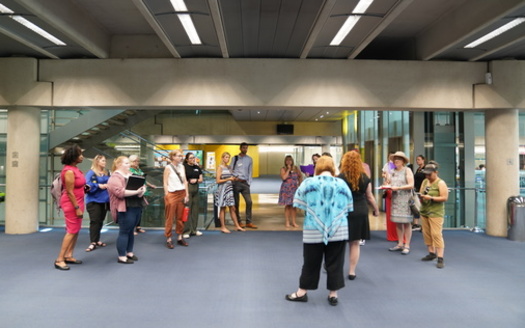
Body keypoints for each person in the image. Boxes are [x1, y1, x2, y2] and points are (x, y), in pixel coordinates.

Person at [285, 156, 353, 306]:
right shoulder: (342, 184)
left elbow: (298, 203)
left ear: (318, 167)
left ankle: (302, 292)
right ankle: (333, 295)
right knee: (335, 262)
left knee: (310, 262)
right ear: (332, 167)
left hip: (313, 229)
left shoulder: (309, 183)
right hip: (339, 230)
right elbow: (349, 207)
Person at [338, 151, 379, 280]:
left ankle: (334, 267)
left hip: (344, 211)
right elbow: (370, 197)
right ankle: (352, 271)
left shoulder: (340, 177)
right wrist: (376, 210)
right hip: (360, 210)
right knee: (355, 243)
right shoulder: (365, 178)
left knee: (339, 243)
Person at [107, 156, 146, 264]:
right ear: (119, 165)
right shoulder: (114, 177)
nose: (129, 165)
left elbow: (142, 186)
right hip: (125, 208)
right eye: (126, 163)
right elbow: (120, 192)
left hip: (136, 205)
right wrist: (136, 192)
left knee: (131, 231)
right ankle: (121, 256)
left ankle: (129, 252)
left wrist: (142, 190)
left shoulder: (131, 175)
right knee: (124, 231)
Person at [54, 145, 86, 271]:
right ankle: (59, 259)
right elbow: (69, 192)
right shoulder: (68, 171)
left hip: (78, 202)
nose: (82, 156)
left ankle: (69, 255)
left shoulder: (76, 169)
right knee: (71, 230)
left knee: (76, 229)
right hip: (72, 204)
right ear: (73, 157)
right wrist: (77, 207)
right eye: (80, 154)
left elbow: (81, 186)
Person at [384, 151, 415, 255]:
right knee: (397, 222)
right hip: (396, 199)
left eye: (399, 159)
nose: (396, 160)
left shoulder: (407, 170)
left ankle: (407, 245)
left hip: (405, 199)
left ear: (403, 161)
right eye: (395, 159)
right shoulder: (392, 171)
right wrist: (386, 185)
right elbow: (388, 183)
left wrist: (398, 187)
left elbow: (411, 185)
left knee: (406, 222)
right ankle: (400, 243)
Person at [419, 162, 449, 269]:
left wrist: (431, 198)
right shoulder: (425, 182)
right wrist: (422, 197)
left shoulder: (441, 183)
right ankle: (431, 253)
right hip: (425, 211)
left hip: (436, 212)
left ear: (435, 172)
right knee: (426, 233)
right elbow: (421, 192)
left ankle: (440, 257)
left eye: (429, 174)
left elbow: (444, 198)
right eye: (426, 174)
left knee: (436, 234)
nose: (427, 176)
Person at [163, 149, 190, 248]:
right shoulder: (168, 168)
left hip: (181, 193)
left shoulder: (182, 167)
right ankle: (169, 238)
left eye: (181, 156)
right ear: (173, 157)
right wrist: (167, 194)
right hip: (172, 193)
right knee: (170, 217)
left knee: (180, 217)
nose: (181, 157)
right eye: (178, 156)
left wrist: (186, 195)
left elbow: (185, 181)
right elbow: (165, 182)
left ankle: (179, 236)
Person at [84, 154, 110, 252]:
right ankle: (93, 242)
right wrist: (99, 185)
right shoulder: (91, 173)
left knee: (100, 221)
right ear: (97, 162)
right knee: (94, 221)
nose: (105, 162)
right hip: (94, 201)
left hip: (104, 201)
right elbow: (86, 185)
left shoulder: (106, 173)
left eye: (105, 161)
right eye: (103, 160)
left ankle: (97, 239)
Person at [215, 152, 245, 233]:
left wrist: (235, 178)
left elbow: (231, 177)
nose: (227, 159)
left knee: (232, 208)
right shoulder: (219, 168)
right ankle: (223, 227)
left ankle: (237, 226)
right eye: (226, 157)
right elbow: (218, 180)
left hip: (229, 189)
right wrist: (228, 179)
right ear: (222, 158)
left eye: (228, 157)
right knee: (223, 208)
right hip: (222, 189)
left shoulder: (229, 167)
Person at [231, 142, 257, 229]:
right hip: (236, 182)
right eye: (243, 148)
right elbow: (231, 169)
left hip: (245, 183)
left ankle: (248, 222)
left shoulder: (249, 159)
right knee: (236, 203)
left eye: (246, 148)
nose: (245, 149)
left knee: (249, 202)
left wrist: (249, 182)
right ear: (240, 148)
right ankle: (239, 221)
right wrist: (234, 178)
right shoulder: (235, 158)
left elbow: (250, 171)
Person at [129, 154, 156, 235]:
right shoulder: (129, 170)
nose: (136, 162)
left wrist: (150, 185)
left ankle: (138, 227)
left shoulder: (139, 170)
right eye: (134, 161)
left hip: (142, 192)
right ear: (130, 162)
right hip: (133, 193)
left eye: (137, 161)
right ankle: (132, 229)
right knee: (133, 211)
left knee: (139, 211)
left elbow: (143, 179)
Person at [278, 155, 303, 228]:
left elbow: (300, 176)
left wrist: (300, 184)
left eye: (290, 160)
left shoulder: (296, 168)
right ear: (285, 162)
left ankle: (294, 222)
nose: (289, 162)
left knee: (294, 206)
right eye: (287, 160)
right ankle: (287, 222)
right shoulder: (283, 169)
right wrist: (288, 170)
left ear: (292, 161)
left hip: (294, 188)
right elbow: (284, 177)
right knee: (288, 205)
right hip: (286, 189)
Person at [183, 152, 204, 238]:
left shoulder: (197, 167)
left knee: (195, 210)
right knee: (187, 209)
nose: (192, 159)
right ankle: (186, 231)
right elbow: (183, 179)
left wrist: (196, 181)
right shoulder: (184, 167)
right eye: (191, 158)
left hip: (196, 188)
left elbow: (201, 179)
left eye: (193, 158)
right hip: (188, 188)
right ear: (187, 159)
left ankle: (194, 229)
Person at [412, 155, 426, 231]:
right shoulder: (418, 169)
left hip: (422, 191)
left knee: (422, 207)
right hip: (416, 190)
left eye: (419, 159)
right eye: (417, 160)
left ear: (423, 160)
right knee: (416, 206)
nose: (418, 161)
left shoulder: (425, 169)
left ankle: (424, 225)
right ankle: (415, 223)